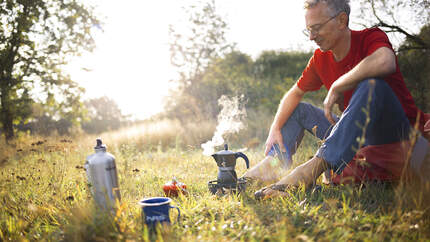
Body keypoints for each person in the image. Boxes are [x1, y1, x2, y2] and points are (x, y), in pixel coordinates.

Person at [242, 0, 430, 199]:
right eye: (308, 30)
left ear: (341, 20)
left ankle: (312, 169)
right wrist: (275, 127)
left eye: (316, 28)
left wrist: (338, 84)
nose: (312, 37)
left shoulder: (370, 38)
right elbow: (294, 93)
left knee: (372, 85)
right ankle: (271, 166)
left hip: (397, 131)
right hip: (355, 132)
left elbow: (385, 61)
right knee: (299, 110)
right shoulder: (319, 59)